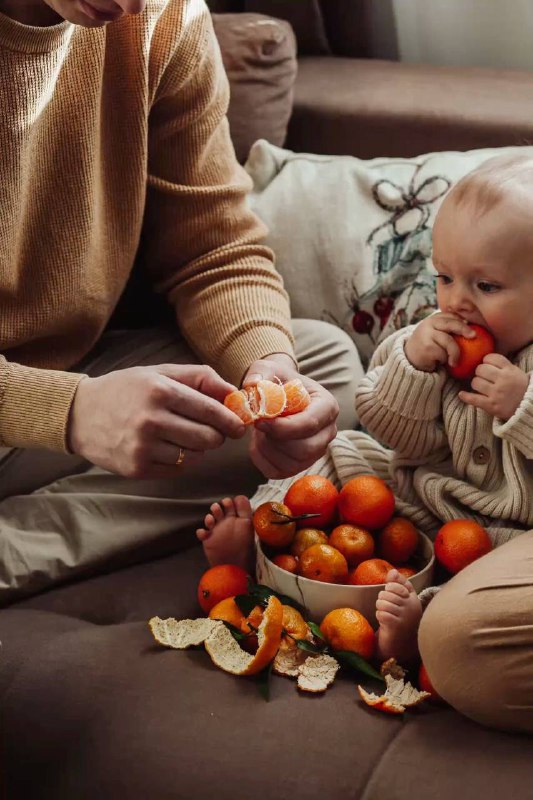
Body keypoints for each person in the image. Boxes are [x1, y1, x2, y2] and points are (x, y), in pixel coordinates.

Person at [0, 0, 363, 601]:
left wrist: (267, 368)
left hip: (56, 389)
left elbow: (213, 247)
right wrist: (70, 411)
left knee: (322, 365)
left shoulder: (165, 18)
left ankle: (21, 541)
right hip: (43, 401)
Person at [202, 152, 533, 732]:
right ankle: (263, 544)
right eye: (445, 277)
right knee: (336, 452)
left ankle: (404, 633)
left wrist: (521, 406)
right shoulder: (428, 339)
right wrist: (413, 364)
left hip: (501, 532)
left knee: (468, 581)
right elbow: (379, 419)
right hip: (414, 492)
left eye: (486, 285)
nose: (457, 302)